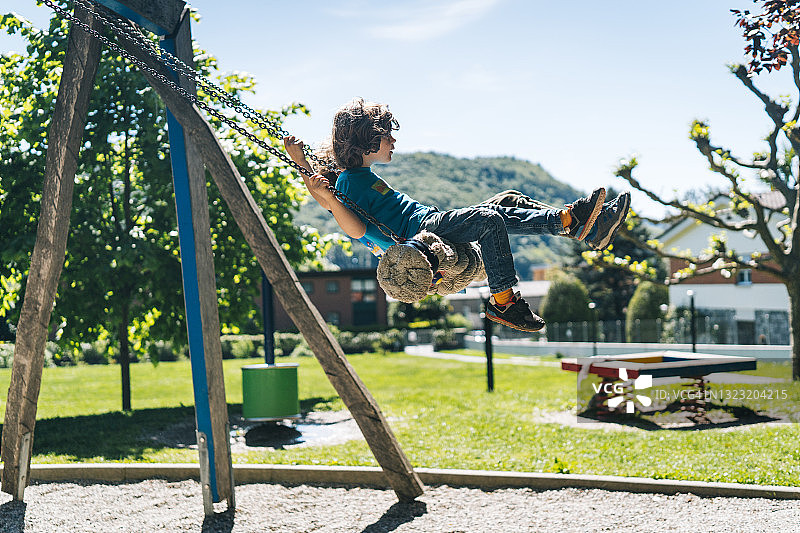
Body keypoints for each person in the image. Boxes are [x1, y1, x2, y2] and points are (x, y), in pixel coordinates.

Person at [283, 97, 630, 332]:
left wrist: (308, 171)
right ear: (366, 141)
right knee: (490, 219)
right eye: (386, 136)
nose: (393, 142)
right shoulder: (346, 184)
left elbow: (329, 195)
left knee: (510, 199)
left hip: (432, 220)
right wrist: (308, 175)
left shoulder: (357, 178)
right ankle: (504, 301)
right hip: (421, 236)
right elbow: (353, 227)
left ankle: (580, 226)